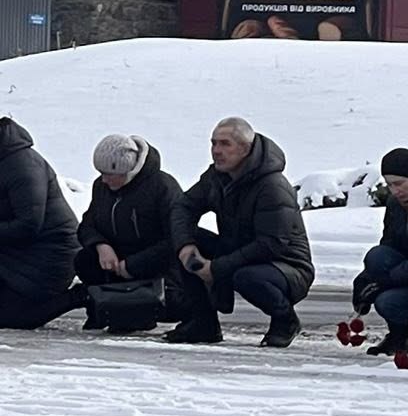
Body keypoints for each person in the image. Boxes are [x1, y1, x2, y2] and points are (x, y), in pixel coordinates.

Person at [168, 118, 313, 347]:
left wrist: (215, 268)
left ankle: (285, 320)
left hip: (284, 264)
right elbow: (183, 207)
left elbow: (271, 244)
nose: (216, 151)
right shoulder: (216, 177)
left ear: (245, 148)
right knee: (177, 239)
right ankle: (203, 323)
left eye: (225, 144)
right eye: (213, 143)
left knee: (247, 277)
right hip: (238, 250)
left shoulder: (272, 186)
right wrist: (186, 247)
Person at [64, 133, 180, 332]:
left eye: (109, 174)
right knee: (85, 259)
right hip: (116, 263)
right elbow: (87, 225)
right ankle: (102, 309)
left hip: (155, 267)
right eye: (101, 173)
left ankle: (141, 311)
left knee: (175, 301)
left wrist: (135, 265)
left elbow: (175, 238)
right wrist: (101, 245)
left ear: (128, 170)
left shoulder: (163, 187)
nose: (104, 179)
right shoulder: (101, 187)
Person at [350, 149, 408, 356]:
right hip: (406, 271)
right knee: (377, 260)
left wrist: (390, 278)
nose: (394, 191)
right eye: (389, 185)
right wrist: (366, 280)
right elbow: (389, 244)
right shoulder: (396, 204)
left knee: (388, 290)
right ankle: (398, 337)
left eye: (399, 184)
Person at [0, 117, 78, 330]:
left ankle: (78, 297)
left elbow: (28, 225)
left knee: (8, 318)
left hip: (49, 257)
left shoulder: (22, 165)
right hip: (14, 256)